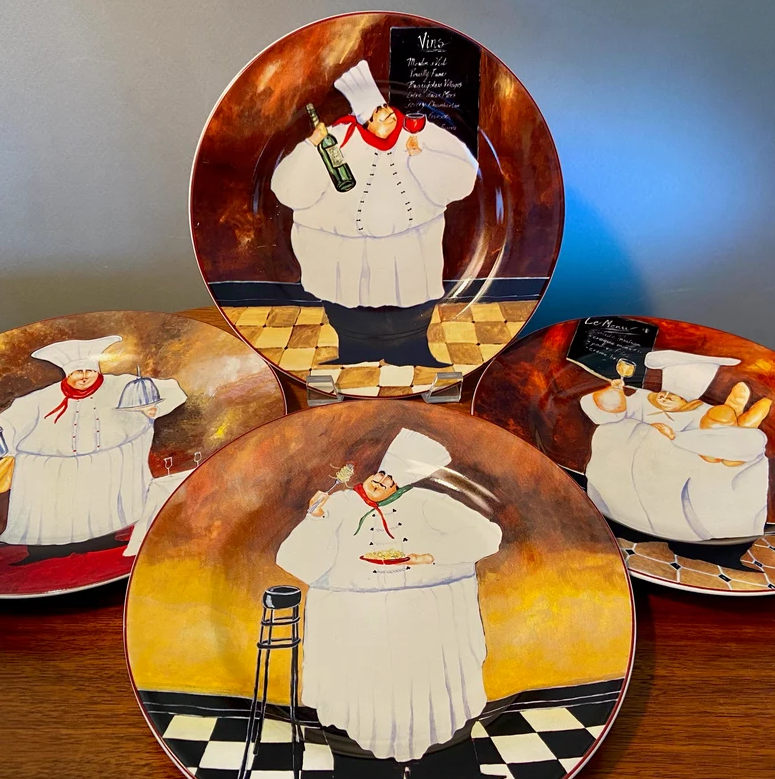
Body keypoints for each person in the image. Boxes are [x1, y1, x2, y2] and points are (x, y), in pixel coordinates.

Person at [275, 429, 502, 771]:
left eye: (391, 479)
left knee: (428, 707)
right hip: (353, 622)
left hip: (428, 619)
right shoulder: (336, 504)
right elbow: (295, 561)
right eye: (380, 474)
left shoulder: (429, 502)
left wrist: (430, 556)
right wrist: (315, 520)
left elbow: (487, 536)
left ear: (404, 487)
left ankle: (446, 768)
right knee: (360, 708)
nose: (381, 481)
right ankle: (360, 768)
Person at [270, 59, 479, 367]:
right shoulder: (337, 138)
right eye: (380, 113)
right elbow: (288, 191)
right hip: (345, 249)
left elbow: (463, 179)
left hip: (412, 244)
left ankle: (415, 353)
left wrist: (420, 158)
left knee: (412, 300)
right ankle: (353, 355)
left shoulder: (419, 131)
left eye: (387, 109)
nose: (390, 115)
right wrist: (310, 148)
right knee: (348, 304)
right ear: (365, 121)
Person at [0, 336, 187, 549]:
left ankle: (106, 538)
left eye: (89, 371)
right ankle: (47, 549)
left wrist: (153, 408)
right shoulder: (41, 399)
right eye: (77, 372)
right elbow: (9, 422)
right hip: (54, 471)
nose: (84, 377)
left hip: (109, 463)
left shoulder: (121, 384)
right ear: (67, 374)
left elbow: (173, 390)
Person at [581, 349, 771, 542]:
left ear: (689, 403)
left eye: (673, 397)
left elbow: (719, 442)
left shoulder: (706, 414)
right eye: (663, 394)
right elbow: (606, 411)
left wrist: (675, 438)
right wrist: (615, 394)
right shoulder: (642, 400)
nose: (664, 399)